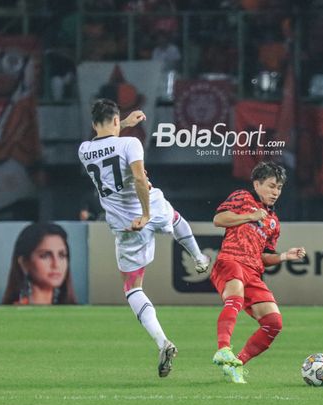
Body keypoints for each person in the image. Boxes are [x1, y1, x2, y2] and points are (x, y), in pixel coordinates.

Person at [77, 98, 210, 378]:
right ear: (116, 120)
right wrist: (148, 214)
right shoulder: (131, 143)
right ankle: (198, 257)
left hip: (125, 226)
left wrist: (121, 124)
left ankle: (162, 342)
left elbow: (102, 141)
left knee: (132, 287)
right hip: (149, 208)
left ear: (93, 124)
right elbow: (139, 179)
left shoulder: (84, 150)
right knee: (175, 218)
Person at [210, 161, 306, 383]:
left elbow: (264, 256)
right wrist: (250, 216)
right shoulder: (243, 198)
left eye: (279, 188)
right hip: (231, 260)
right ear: (257, 184)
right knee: (234, 297)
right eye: (272, 186)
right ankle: (223, 348)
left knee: (274, 323)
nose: (276, 192)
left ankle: (236, 364)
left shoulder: (273, 222)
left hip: (253, 272)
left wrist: (284, 257)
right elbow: (218, 219)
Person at [2, 222, 78, 305]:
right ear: (24, 263)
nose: (56, 264)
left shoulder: (75, 312)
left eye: (62, 255)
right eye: (45, 256)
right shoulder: (14, 313)